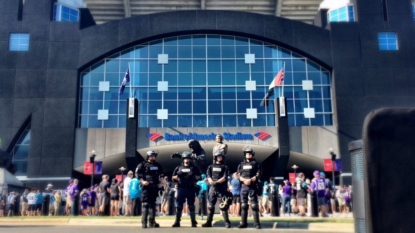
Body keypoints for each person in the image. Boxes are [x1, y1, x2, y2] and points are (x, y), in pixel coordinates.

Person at [171, 151, 201, 228]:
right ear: (183, 159)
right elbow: (173, 177)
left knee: (191, 205)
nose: (187, 160)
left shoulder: (194, 168)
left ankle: (193, 222)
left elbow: (199, 177)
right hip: (181, 188)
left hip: (191, 188)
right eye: (185, 159)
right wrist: (178, 175)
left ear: (190, 159)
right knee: (179, 205)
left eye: (188, 159)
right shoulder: (178, 167)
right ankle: (177, 222)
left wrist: (194, 176)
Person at [202, 151, 231, 228]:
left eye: (221, 156)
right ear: (215, 157)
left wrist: (217, 182)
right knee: (210, 206)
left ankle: (227, 222)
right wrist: (211, 182)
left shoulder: (225, 167)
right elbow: (208, 176)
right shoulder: (210, 166)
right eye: (218, 156)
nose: (219, 158)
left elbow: (225, 177)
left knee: (223, 206)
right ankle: (208, 222)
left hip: (221, 188)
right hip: (212, 188)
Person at [135, 150, 164, 228]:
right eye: (151, 156)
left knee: (152, 205)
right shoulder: (142, 165)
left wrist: (161, 183)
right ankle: (144, 222)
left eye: (154, 156)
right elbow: (137, 174)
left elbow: (161, 175)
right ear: (148, 156)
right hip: (146, 187)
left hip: (155, 187)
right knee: (145, 204)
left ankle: (152, 222)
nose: (153, 157)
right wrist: (143, 181)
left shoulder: (157, 165)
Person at [237, 146, 262, 229]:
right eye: (247, 153)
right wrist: (244, 180)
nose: (249, 155)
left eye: (250, 153)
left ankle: (257, 224)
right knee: (243, 205)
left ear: (252, 154)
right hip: (244, 186)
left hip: (252, 185)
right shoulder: (241, 164)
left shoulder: (256, 164)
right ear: (245, 154)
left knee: (254, 205)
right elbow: (238, 175)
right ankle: (243, 223)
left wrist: (250, 180)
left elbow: (258, 175)